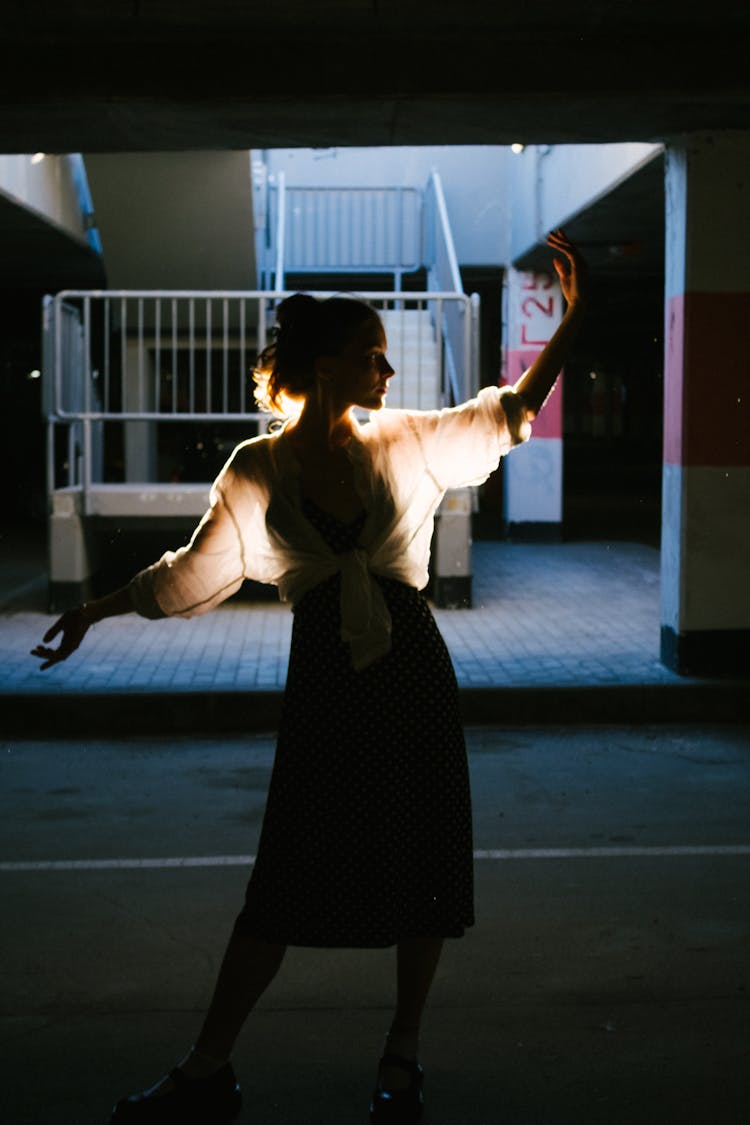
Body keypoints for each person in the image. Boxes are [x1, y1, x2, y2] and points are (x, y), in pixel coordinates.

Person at [32, 229, 587, 1124]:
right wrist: (94, 612)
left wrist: (573, 323)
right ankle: (208, 1068)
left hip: (411, 672)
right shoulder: (258, 469)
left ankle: (401, 1055)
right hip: (327, 683)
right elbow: (190, 573)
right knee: (285, 876)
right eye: (373, 356)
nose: (387, 372)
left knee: (424, 867)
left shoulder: (407, 443)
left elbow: (510, 413)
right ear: (326, 366)